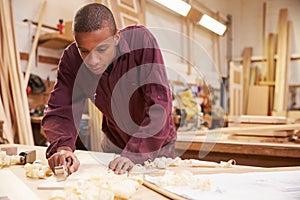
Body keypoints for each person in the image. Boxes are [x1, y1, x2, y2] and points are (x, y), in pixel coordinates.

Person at [41, 3, 177, 175]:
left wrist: (135, 154)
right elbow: (61, 109)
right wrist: (63, 148)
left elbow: (159, 103)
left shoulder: (141, 41)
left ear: (116, 38)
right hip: (115, 143)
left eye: (102, 49)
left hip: (155, 144)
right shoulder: (72, 60)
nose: (93, 61)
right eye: (84, 51)